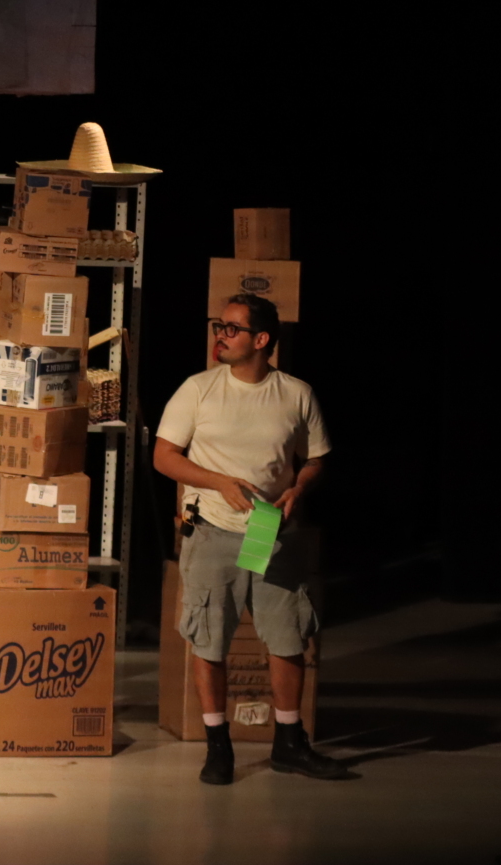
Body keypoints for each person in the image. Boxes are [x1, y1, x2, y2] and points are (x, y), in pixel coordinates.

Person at [152, 293, 351, 785]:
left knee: (287, 637)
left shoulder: (295, 393)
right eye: (219, 326)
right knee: (210, 639)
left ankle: (289, 742)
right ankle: (218, 746)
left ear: (261, 340)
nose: (220, 334)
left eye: (232, 328)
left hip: (271, 531)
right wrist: (217, 481)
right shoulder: (198, 390)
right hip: (213, 529)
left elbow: (316, 457)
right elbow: (164, 456)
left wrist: (298, 489)